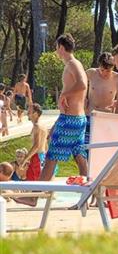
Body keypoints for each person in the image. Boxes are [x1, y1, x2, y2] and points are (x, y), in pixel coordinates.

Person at [39, 34, 88, 182]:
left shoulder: (72, 64)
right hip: (76, 118)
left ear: (61, 47)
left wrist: (63, 95)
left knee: (52, 154)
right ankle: (89, 189)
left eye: (56, 47)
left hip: (69, 119)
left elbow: (82, 84)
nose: (56, 51)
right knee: (79, 155)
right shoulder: (75, 64)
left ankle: (37, 192)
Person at [22, 103, 48, 181]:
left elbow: (36, 146)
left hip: (37, 158)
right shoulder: (42, 126)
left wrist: (24, 160)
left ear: (35, 113)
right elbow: (46, 144)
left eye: (29, 112)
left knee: (35, 184)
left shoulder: (37, 126)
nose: (27, 113)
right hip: (41, 156)